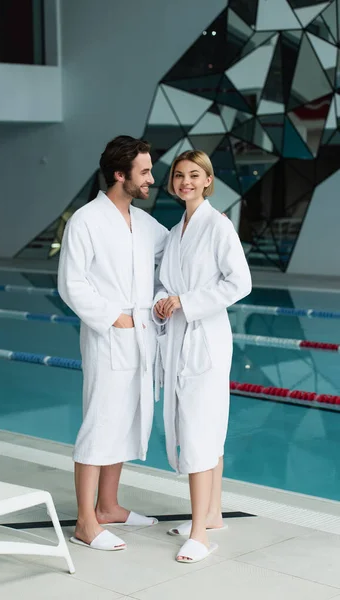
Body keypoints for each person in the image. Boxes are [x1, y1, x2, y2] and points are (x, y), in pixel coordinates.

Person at [58, 135, 168, 551]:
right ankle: (86, 522)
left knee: (124, 419)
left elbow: (174, 251)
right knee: (99, 423)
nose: (151, 179)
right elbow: (72, 284)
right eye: (144, 171)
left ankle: (108, 506)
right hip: (110, 336)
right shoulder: (86, 221)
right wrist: (115, 318)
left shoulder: (143, 223)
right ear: (120, 174)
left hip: (140, 335)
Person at [153, 150, 252, 564]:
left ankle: (199, 534)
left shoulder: (217, 225)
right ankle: (211, 514)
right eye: (179, 175)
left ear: (208, 180)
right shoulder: (177, 231)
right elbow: (164, 283)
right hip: (181, 337)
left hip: (206, 340)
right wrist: (164, 300)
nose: (186, 181)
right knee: (204, 425)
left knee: (197, 428)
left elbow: (240, 283)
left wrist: (186, 302)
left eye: (195, 175)